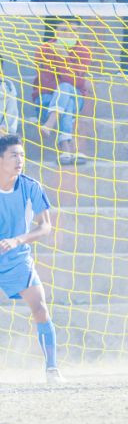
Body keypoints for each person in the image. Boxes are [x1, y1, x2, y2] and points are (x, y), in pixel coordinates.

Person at [0, 134, 63, 384]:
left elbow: (45, 226)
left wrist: (17, 240)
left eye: (22, 155)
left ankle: (52, 369)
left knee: (40, 307)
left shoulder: (30, 186)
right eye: (14, 155)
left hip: (18, 259)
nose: (20, 160)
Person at [32, 18, 93, 166]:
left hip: (74, 96)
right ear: (56, 31)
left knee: (65, 89)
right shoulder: (43, 49)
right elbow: (46, 82)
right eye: (64, 30)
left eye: (74, 30)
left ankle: (51, 126)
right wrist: (77, 80)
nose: (69, 34)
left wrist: (62, 58)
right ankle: (69, 148)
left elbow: (70, 80)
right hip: (45, 98)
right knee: (66, 97)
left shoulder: (84, 51)